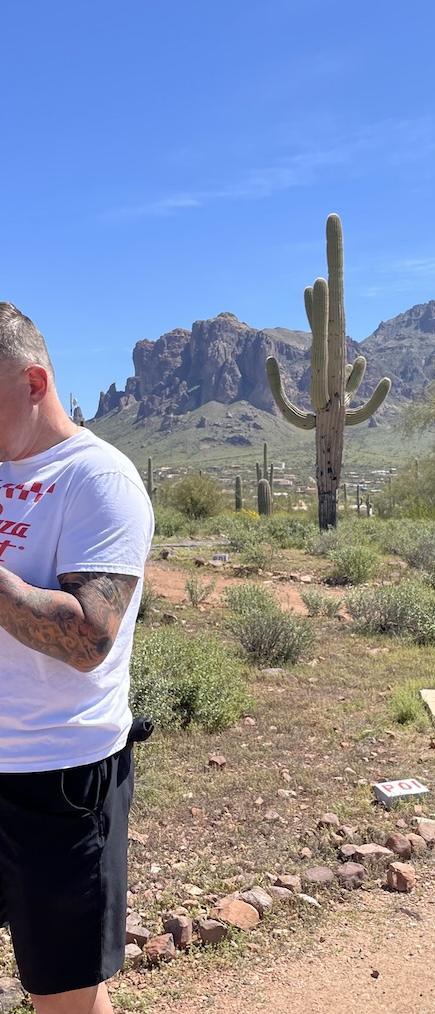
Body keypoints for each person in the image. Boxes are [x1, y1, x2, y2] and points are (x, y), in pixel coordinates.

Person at [0, 303, 154, 1014]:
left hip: (56, 780)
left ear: (33, 382)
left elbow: (89, 639)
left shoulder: (100, 481)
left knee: (63, 998)